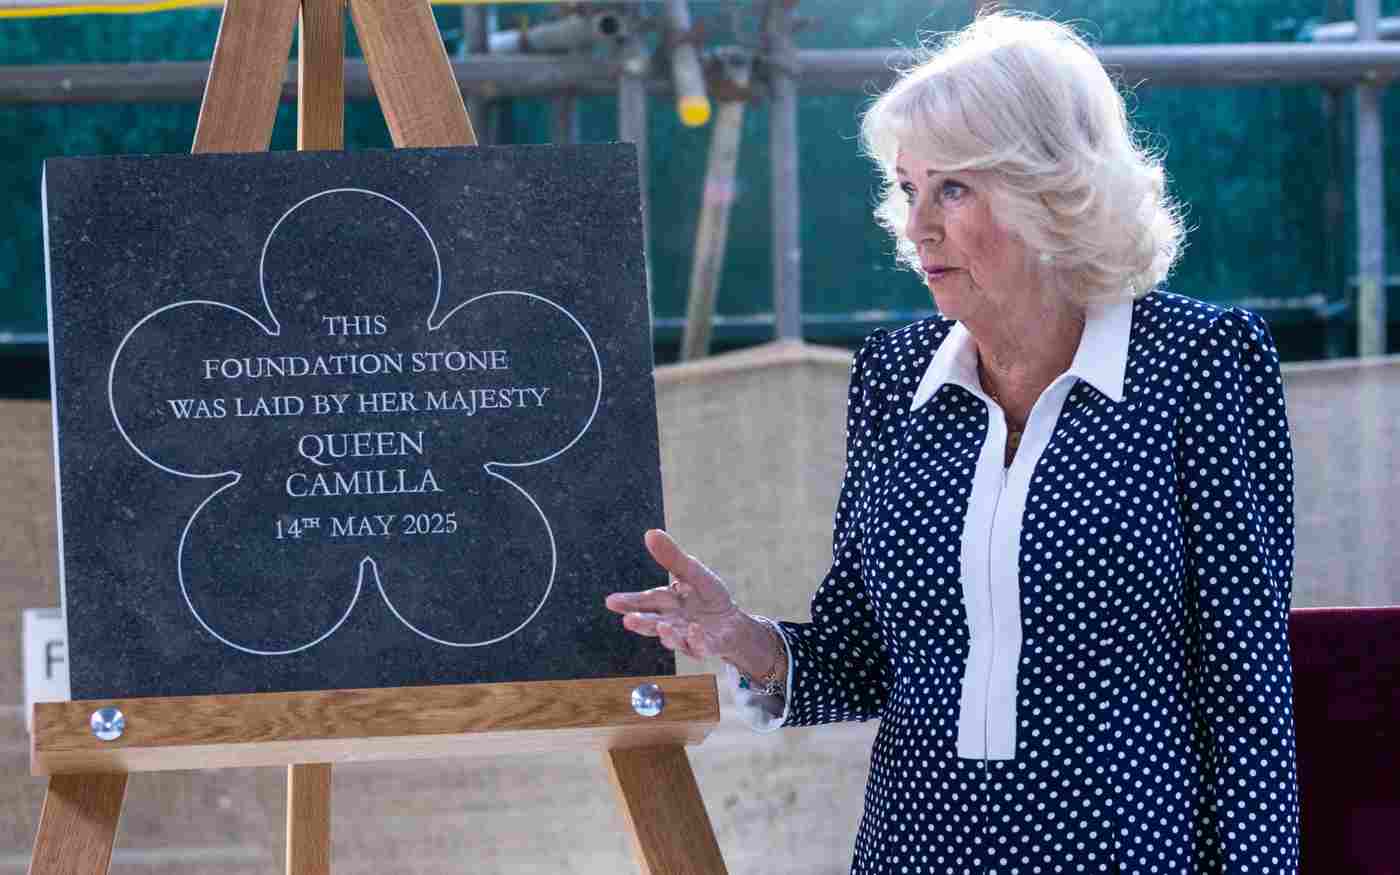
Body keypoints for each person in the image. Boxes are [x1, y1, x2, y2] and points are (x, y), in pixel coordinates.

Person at [606, 10, 1299, 874]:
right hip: (916, 850)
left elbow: (1249, 696)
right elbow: (857, 658)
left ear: (1052, 189)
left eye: (954, 190)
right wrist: (736, 632)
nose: (916, 226)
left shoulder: (1200, 363)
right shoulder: (894, 379)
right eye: (908, 189)